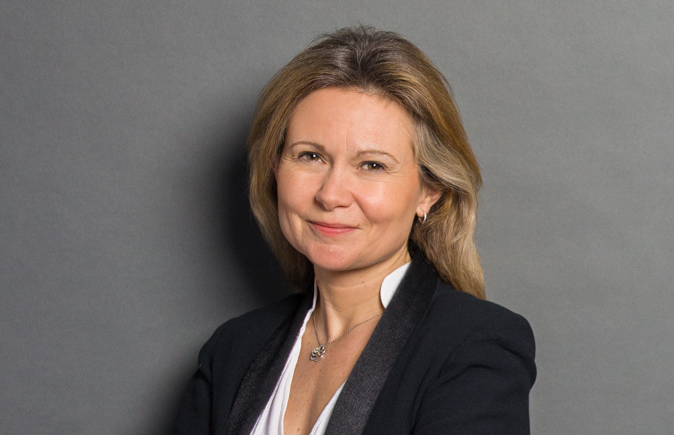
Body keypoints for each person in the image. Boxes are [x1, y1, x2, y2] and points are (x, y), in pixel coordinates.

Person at [173, 26, 536, 435]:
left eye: (372, 165)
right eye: (310, 156)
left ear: (429, 191)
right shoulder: (232, 350)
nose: (330, 195)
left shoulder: (474, 346)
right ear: (275, 169)